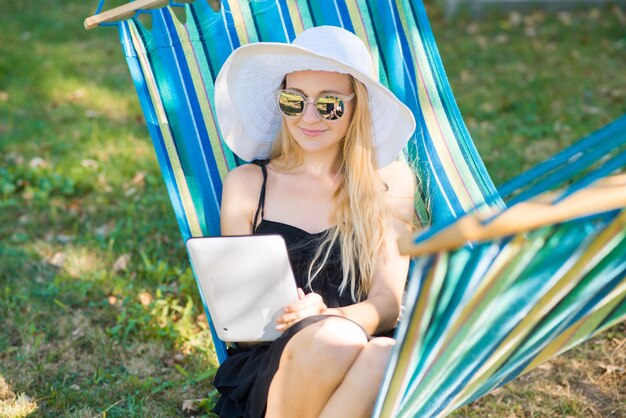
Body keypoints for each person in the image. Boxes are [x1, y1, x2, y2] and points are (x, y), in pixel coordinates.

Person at [212, 25, 417, 418]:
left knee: (385, 355)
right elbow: (239, 320)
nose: (309, 117)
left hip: (361, 346)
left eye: (329, 105)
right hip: (272, 366)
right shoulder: (248, 186)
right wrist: (310, 326)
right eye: (294, 101)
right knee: (334, 340)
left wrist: (328, 317)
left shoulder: (387, 184)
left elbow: (388, 305)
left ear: (356, 107)